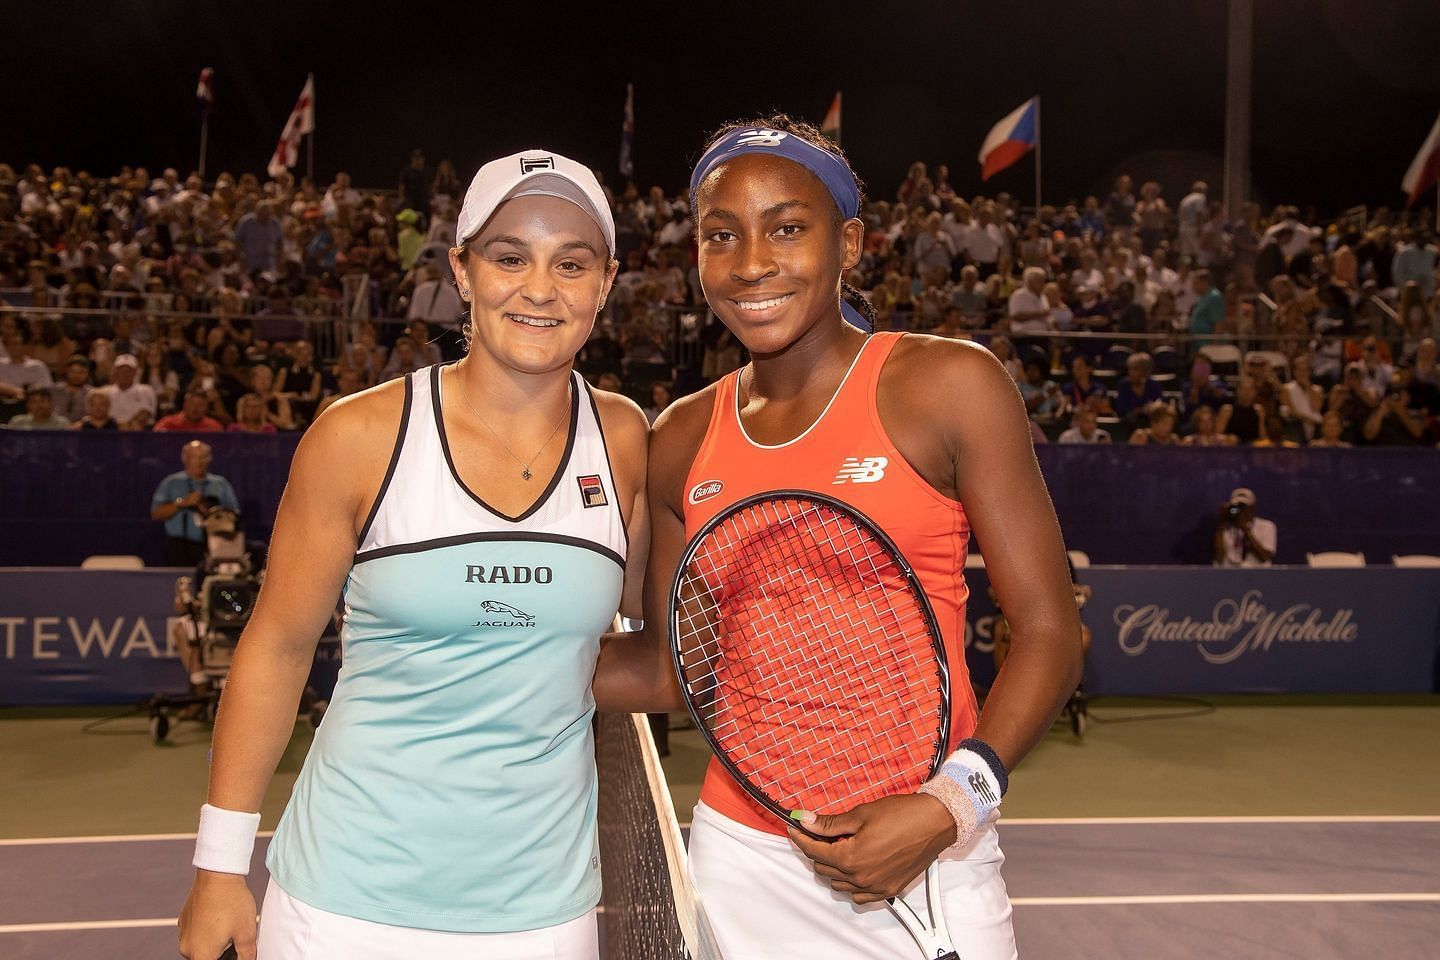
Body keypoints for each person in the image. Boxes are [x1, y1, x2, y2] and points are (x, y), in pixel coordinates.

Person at [619, 114, 1080, 960]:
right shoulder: (682, 435)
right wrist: (460, 646)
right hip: (739, 857)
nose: (752, 262)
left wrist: (950, 805)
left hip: (925, 851)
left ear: (851, 243)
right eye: (721, 236)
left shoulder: (949, 385)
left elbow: (1052, 633)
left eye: (787, 228)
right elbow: (666, 674)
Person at [177, 149, 649, 960]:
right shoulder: (355, 436)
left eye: (572, 263)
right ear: (462, 272)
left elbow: (633, 646)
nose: (541, 288)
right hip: (343, 905)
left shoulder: (627, 438)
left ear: (605, 282)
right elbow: (280, 647)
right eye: (509, 257)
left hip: (542, 913)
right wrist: (221, 867)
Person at [151, 440, 241, 567]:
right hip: (179, 546)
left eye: (203, 457)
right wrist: (182, 503)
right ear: (185, 459)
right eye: (194, 457)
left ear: (209, 459)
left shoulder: (220, 484)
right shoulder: (171, 482)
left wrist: (211, 512)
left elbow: (235, 514)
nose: (199, 462)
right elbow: (156, 513)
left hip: (214, 544)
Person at [1212, 487, 1276, 567]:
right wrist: (1222, 522)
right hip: (1231, 575)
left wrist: (1246, 531)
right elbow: (1218, 558)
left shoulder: (1266, 526)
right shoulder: (1226, 528)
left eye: (1243, 507)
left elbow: (1264, 557)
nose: (1240, 511)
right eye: (1237, 507)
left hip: (1258, 575)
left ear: (1252, 508)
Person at [155, 387, 225, 432]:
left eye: (201, 405)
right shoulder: (167, 423)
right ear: (184, 404)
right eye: (191, 403)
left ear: (207, 408)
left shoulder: (214, 427)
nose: (195, 408)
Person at [6, 383, 71, 429]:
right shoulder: (17, 422)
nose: (38, 405)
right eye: (33, 402)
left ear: (50, 402)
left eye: (42, 401)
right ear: (28, 405)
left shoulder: (62, 424)